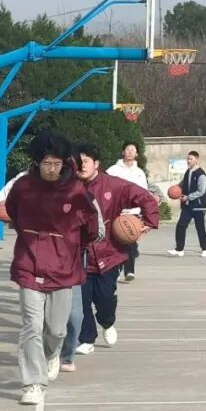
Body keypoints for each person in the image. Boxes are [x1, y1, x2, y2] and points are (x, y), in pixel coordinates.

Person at [5, 131, 100, 405]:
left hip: (63, 268)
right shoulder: (23, 187)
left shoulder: (76, 191)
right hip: (29, 263)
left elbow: (91, 227)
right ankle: (33, 383)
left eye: (56, 163)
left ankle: (53, 353)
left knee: (57, 329)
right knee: (31, 326)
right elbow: (12, 212)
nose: (51, 168)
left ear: (64, 163)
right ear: (37, 162)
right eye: (46, 163)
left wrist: (72, 247)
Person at [74, 143, 159, 356]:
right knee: (81, 300)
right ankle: (86, 338)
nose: (81, 165)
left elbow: (145, 197)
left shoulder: (113, 185)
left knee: (105, 299)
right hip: (79, 255)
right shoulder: (69, 188)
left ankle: (107, 322)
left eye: (85, 161)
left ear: (96, 164)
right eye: (77, 162)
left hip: (109, 253)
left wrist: (148, 221)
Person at [106, 141, 150, 282]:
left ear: (137, 153)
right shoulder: (113, 170)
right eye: (128, 149)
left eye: (133, 150)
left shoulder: (139, 173)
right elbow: (105, 189)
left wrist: (144, 214)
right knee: (115, 242)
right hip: (116, 212)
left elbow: (144, 194)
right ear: (123, 152)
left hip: (133, 213)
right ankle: (115, 270)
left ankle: (129, 271)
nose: (130, 152)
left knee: (130, 239)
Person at [168, 150, 206, 258]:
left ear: (196, 160)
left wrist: (188, 197)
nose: (188, 161)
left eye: (190, 159)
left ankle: (205, 248)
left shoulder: (201, 174)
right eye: (187, 159)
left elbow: (201, 191)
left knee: (200, 228)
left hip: (198, 206)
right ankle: (179, 249)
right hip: (187, 206)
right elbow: (184, 183)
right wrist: (176, 188)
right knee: (181, 226)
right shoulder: (188, 172)